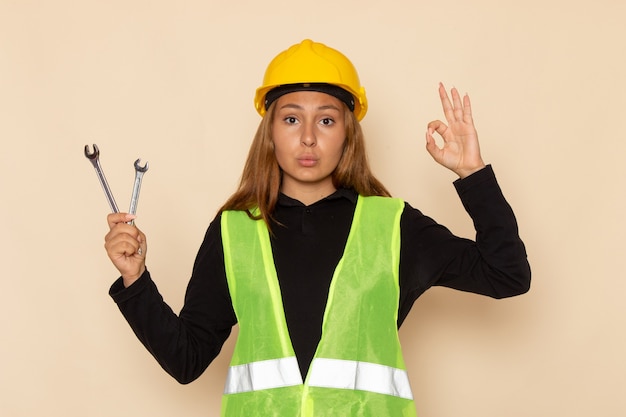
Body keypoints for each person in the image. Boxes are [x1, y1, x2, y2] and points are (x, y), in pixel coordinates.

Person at [104, 39, 531, 416]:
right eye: (291, 119)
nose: (308, 137)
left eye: (326, 120)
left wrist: (472, 173)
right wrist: (135, 279)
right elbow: (186, 359)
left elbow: (506, 274)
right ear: (270, 131)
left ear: (348, 132)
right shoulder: (233, 231)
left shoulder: (393, 224)